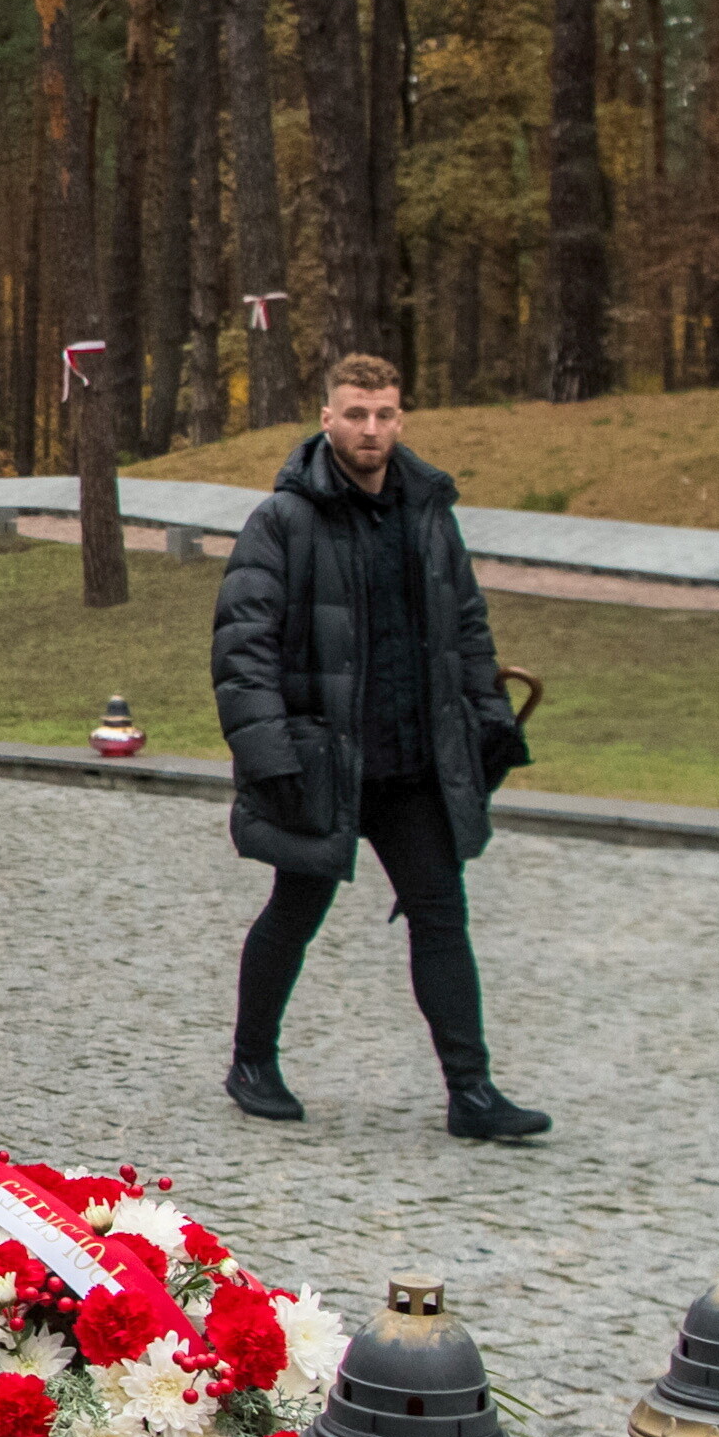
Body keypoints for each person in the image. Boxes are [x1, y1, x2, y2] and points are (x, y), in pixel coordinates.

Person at [211, 353, 551, 1147]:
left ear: (401, 418)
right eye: (357, 413)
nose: (372, 428)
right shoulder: (283, 521)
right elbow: (242, 649)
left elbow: (467, 626)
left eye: (386, 414)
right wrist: (271, 756)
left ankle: (471, 1088)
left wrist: (489, 718)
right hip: (321, 762)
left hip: (413, 762)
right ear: (327, 417)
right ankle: (251, 1061)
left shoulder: (429, 511)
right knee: (294, 911)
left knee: (441, 914)